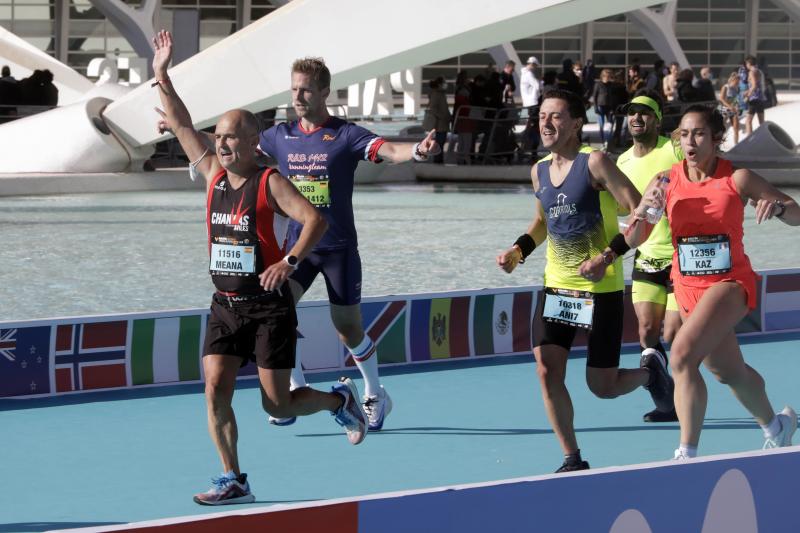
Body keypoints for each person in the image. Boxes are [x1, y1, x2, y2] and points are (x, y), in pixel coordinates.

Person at [151, 30, 369, 505]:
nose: (223, 144)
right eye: (220, 137)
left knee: (277, 402)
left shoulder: (269, 182)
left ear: (254, 142)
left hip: (269, 308)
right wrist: (162, 75)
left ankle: (339, 400)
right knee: (214, 389)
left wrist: (289, 262)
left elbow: (316, 219)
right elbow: (183, 123)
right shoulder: (212, 173)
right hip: (225, 305)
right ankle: (234, 479)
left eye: (232, 137)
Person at [495, 89, 674, 473]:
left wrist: (607, 255)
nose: (546, 123)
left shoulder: (595, 163)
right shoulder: (538, 170)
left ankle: (649, 374)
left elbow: (641, 211)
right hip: (557, 288)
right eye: (542, 116)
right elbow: (543, 223)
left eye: (556, 116)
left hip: (600, 291)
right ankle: (572, 457)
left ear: (577, 123)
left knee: (602, 387)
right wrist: (518, 251)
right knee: (546, 369)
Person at [258, 56, 440, 430]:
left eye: (306, 89)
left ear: (325, 91)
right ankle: (294, 390)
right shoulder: (279, 135)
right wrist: (182, 131)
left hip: (339, 249)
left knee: (347, 328)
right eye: (294, 88)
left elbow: (389, 152)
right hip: (299, 250)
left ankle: (375, 393)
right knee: (276, 313)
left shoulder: (345, 134)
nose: (298, 96)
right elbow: (236, 143)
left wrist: (417, 152)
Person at [632, 105, 799, 459]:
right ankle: (777, 426)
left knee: (680, 355)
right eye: (684, 134)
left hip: (731, 284)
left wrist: (780, 207)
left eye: (699, 134)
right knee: (727, 371)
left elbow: (796, 213)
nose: (689, 141)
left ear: (716, 139)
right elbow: (638, 236)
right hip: (688, 289)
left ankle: (686, 454)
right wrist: (639, 214)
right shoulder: (665, 181)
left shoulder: (737, 179)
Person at [616, 90, 684, 423]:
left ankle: (684, 392)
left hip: (680, 255)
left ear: (657, 119)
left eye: (644, 113)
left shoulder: (673, 149)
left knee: (671, 334)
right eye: (632, 113)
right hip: (645, 256)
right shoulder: (622, 161)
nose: (637, 118)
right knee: (646, 332)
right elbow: (619, 208)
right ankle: (666, 400)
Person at [424, 76, 451, 163]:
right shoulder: (436, 94)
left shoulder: (440, 93)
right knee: (439, 143)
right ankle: (438, 161)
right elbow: (433, 108)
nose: (445, 84)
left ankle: (439, 160)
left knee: (441, 143)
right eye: (444, 83)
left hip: (442, 123)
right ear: (439, 84)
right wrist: (443, 117)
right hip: (440, 124)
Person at [520, 56, 542, 158]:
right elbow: (537, 86)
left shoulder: (524, 74)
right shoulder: (528, 74)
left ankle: (528, 149)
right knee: (534, 127)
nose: (535, 68)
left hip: (528, 103)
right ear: (532, 64)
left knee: (531, 126)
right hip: (533, 102)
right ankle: (532, 150)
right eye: (535, 66)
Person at [743, 56, 767, 137]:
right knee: (761, 122)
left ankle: (749, 140)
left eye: (746, 64)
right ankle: (764, 138)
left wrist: (748, 96)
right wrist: (747, 91)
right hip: (760, 98)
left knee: (748, 121)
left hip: (754, 99)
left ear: (748, 64)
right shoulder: (759, 71)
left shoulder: (751, 72)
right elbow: (757, 85)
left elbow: (754, 85)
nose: (746, 65)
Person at [591, 69, 613, 148]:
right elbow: (594, 96)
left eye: (609, 76)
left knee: (610, 124)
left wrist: (613, 107)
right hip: (600, 106)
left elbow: (613, 96)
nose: (608, 78)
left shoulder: (611, 84)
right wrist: (595, 107)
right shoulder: (598, 84)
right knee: (601, 124)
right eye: (607, 76)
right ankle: (602, 141)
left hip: (609, 107)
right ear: (603, 76)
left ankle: (608, 141)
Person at [719, 71, 741, 145]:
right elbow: (721, 99)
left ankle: (736, 144)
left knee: (736, 128)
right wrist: (730, 106)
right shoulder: (726, 87)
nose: (737, 83)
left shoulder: (736, 88)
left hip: (733, 110)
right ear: (732, 80)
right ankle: (718, 144)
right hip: (724, 109)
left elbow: (736, 99)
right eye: (736, 82)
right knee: (721, 128)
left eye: (738, 82)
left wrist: (737, 106)